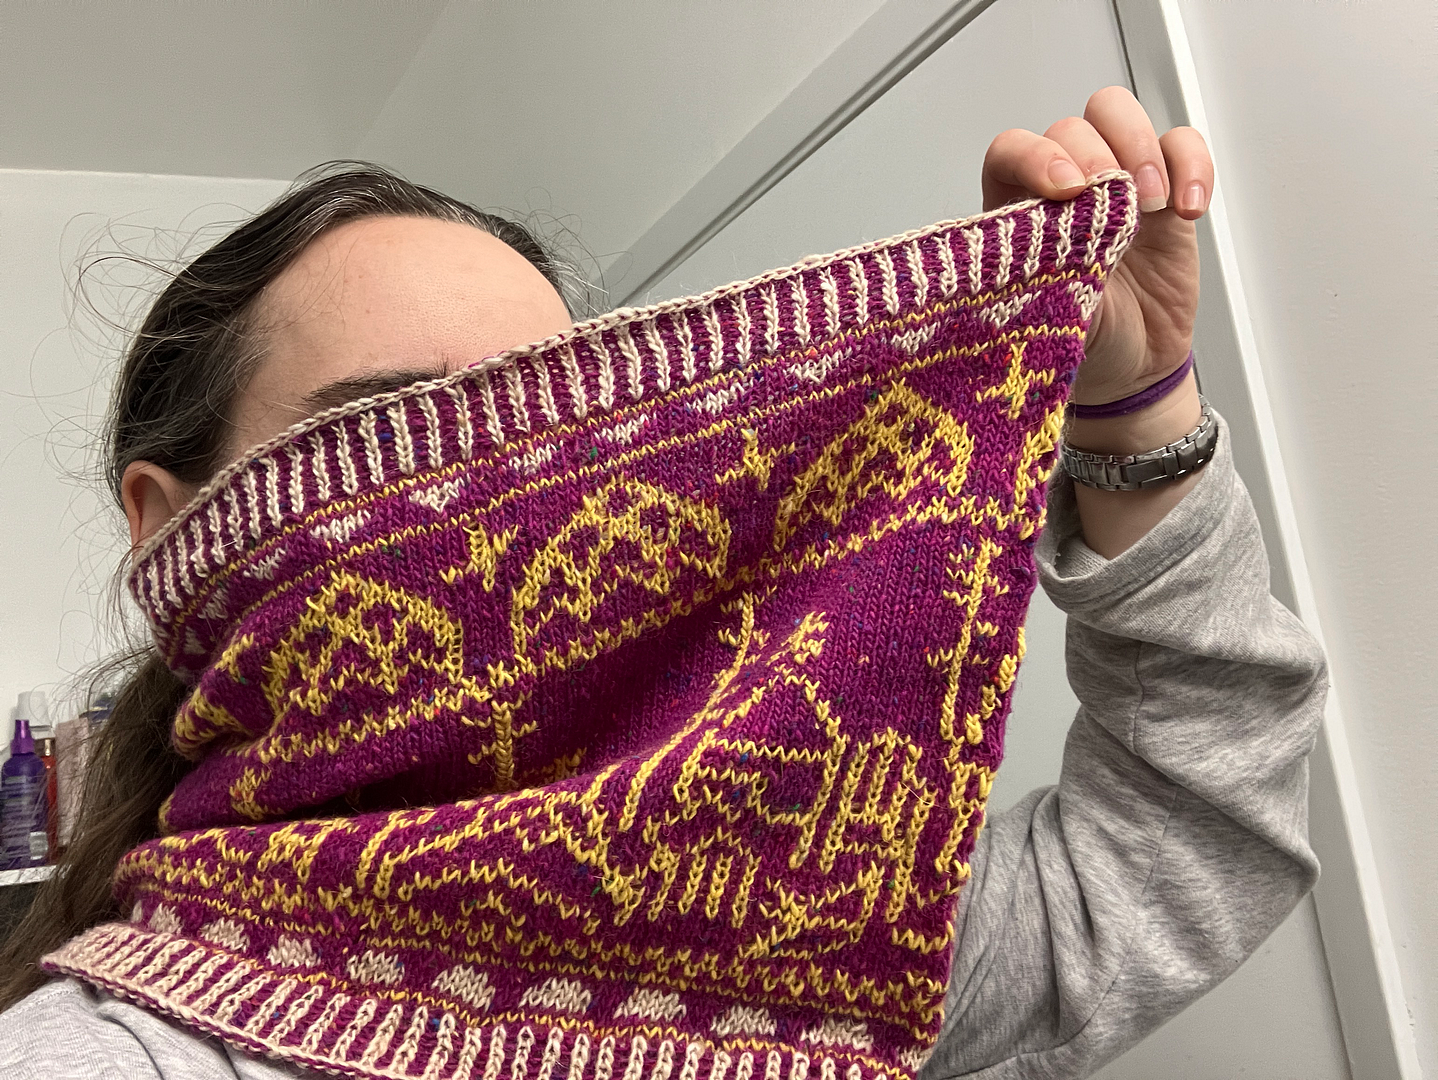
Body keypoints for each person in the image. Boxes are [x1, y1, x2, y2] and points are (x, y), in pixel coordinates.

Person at [0, 86, 1325, 1079]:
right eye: (394, 430)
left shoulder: (783, 940)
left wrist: (1134, 407)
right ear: (170, 529)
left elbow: (1175, 848)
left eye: (559, 435)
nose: (511, 508)